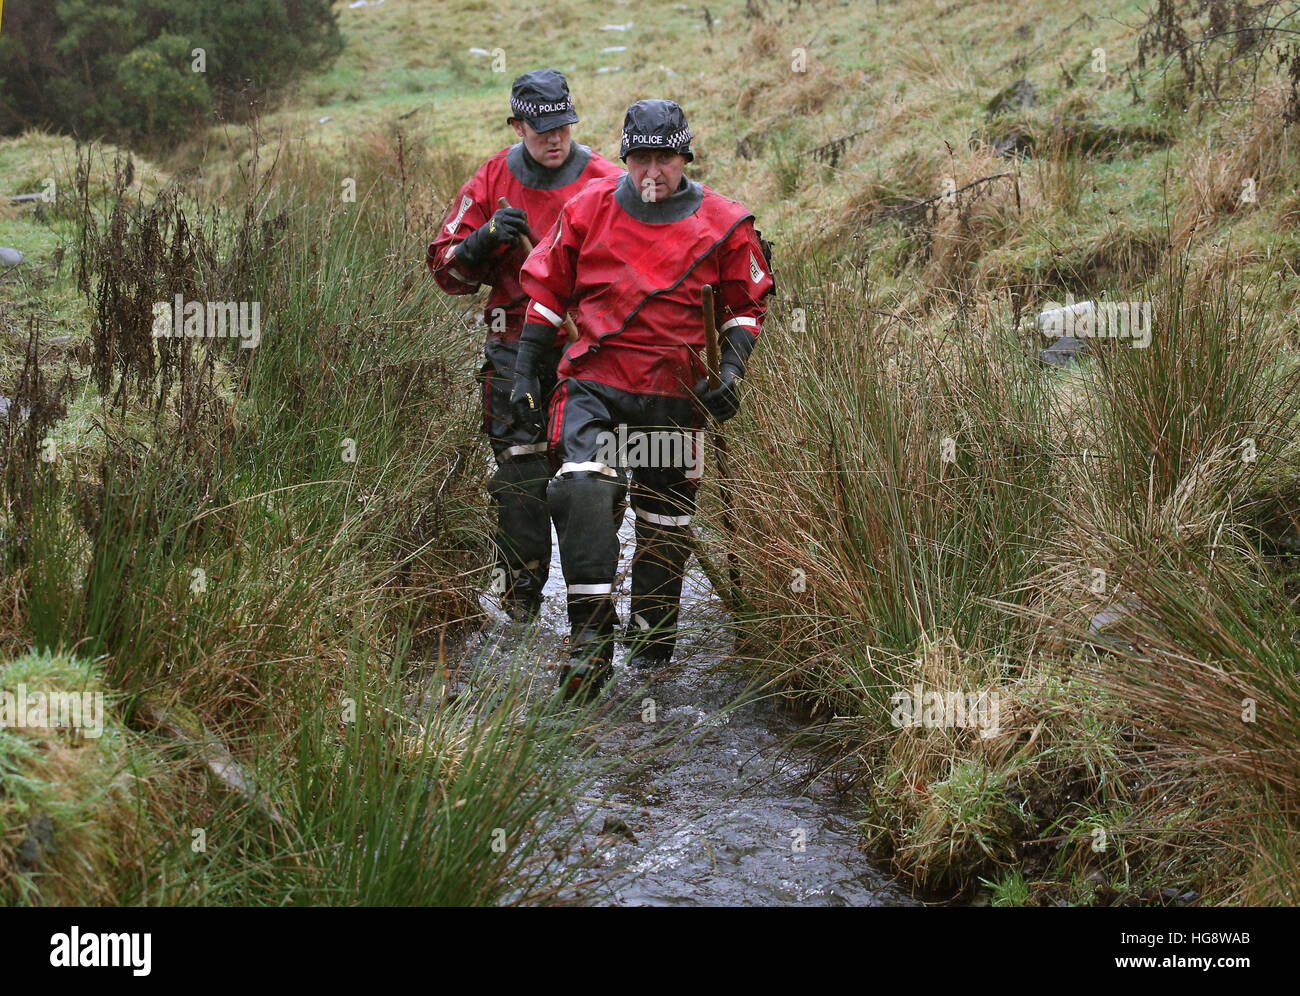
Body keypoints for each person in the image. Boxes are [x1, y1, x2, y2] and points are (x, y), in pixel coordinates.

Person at [515, 98, 774, 698]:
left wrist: (730, 374)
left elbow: (745, 309)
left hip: (675, 397)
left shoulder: (727, 224)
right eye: (640, 158)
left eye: (665, 158)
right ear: (626, 157)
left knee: (664, 528)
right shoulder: (588, 209)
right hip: (595, 386)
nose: (652, 172)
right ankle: (589, 641)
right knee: (582, 485)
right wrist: (528, 370)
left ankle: (652, 664)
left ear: (684, 155)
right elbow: (548, 294)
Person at [427, 69, 620, 620]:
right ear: (517, 125)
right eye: (541, 129)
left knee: (595, 477)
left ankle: (597, 604)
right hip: (512, 345)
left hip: (587, 348)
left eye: (563, 125)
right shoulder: (491, 181)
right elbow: (445, 270)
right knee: (519, 477)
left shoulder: (606, 181)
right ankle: (522, 607)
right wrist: (482, 241)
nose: (554, 138)